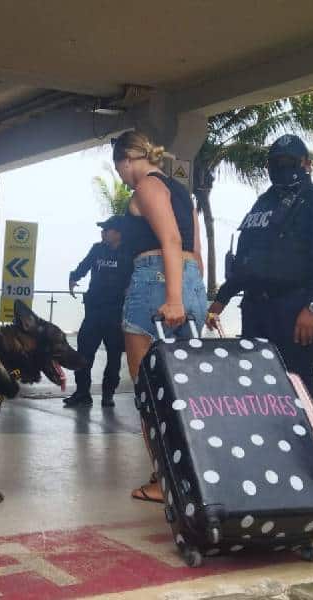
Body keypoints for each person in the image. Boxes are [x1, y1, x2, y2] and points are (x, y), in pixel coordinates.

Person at [206, 134, 313, 399]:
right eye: (275, 163)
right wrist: (222, 299)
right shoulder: (264, 202)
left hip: (295, 309)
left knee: (296, 386)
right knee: (256, 386)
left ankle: (302, 441)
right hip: (256, 310)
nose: (281, 168)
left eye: (288, 161)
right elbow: (247, 259)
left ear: (306, 163)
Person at [110, 131, 208, 504]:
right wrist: (195, 299)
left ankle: (164, 480)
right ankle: (195, 474)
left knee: (147, 392)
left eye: (118, 168)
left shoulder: (146, 189)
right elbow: (194, 251)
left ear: (126, 161)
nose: (120, 176)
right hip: (190, 284)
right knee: (186, 391)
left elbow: (168, 239)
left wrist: (171, 298)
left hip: (156, 283)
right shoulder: (183, 193)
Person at [64, 216, 133, 408]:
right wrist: (73, 277)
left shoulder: (129, 253)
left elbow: (135, 280)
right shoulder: (97, 249)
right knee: (84, 354)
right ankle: (82, 393)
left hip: (116, 314)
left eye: (107, 229)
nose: (103, 232)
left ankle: (108, 394)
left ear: (118, 233)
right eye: (102, 229)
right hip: (93, 312)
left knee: (114, 357)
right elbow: (84, 266)